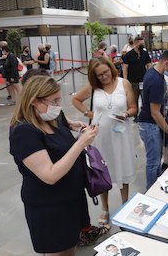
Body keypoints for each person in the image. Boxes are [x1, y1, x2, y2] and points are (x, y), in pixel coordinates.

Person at [10, 75, 101, 255]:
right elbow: (50, 175)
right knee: (58, 251)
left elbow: (61, 124)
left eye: (59, 99)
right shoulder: (24, 133)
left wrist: (73, 125)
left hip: (71, 199)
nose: (58, 106)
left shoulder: (52, 117)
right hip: (50, 206)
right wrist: (80, 143)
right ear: (34, 101)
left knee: (71, 246)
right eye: (54, 101)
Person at [72, 57, 137, 226]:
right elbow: (75, 100)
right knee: (102, 171)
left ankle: (125, 204)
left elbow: (133, 107)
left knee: (122, 167)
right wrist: (88, 113)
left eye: (105, 72)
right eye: (99, 75)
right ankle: (105, 208)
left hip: (121, 136)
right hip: (101, 137)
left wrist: (126, 114)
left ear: (111, 68)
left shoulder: (124, 83)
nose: (104, 77)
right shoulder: (93, 88)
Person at [138, 49, 168, 189]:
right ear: (167, 64)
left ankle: (157, 185)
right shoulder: (156, 80)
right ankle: (151, 191)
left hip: (151, 124)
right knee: (153, 162)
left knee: (156, 160)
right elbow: (155, 113)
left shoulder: (154, 72)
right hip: (150, 125)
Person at [122, 36, 151, 120]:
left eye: (143, 43)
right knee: (134, 98)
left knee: (145, 98)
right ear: (135, 43)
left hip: (143, 80)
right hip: (133, 80)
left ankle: (145, 114)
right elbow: (125, 68)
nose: (142, 45)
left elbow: (149, 65)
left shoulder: (145, 53)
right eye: (140, 43)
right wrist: (125, 80)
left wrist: (149, 76)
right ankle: (135, 115)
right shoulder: (129, 55)